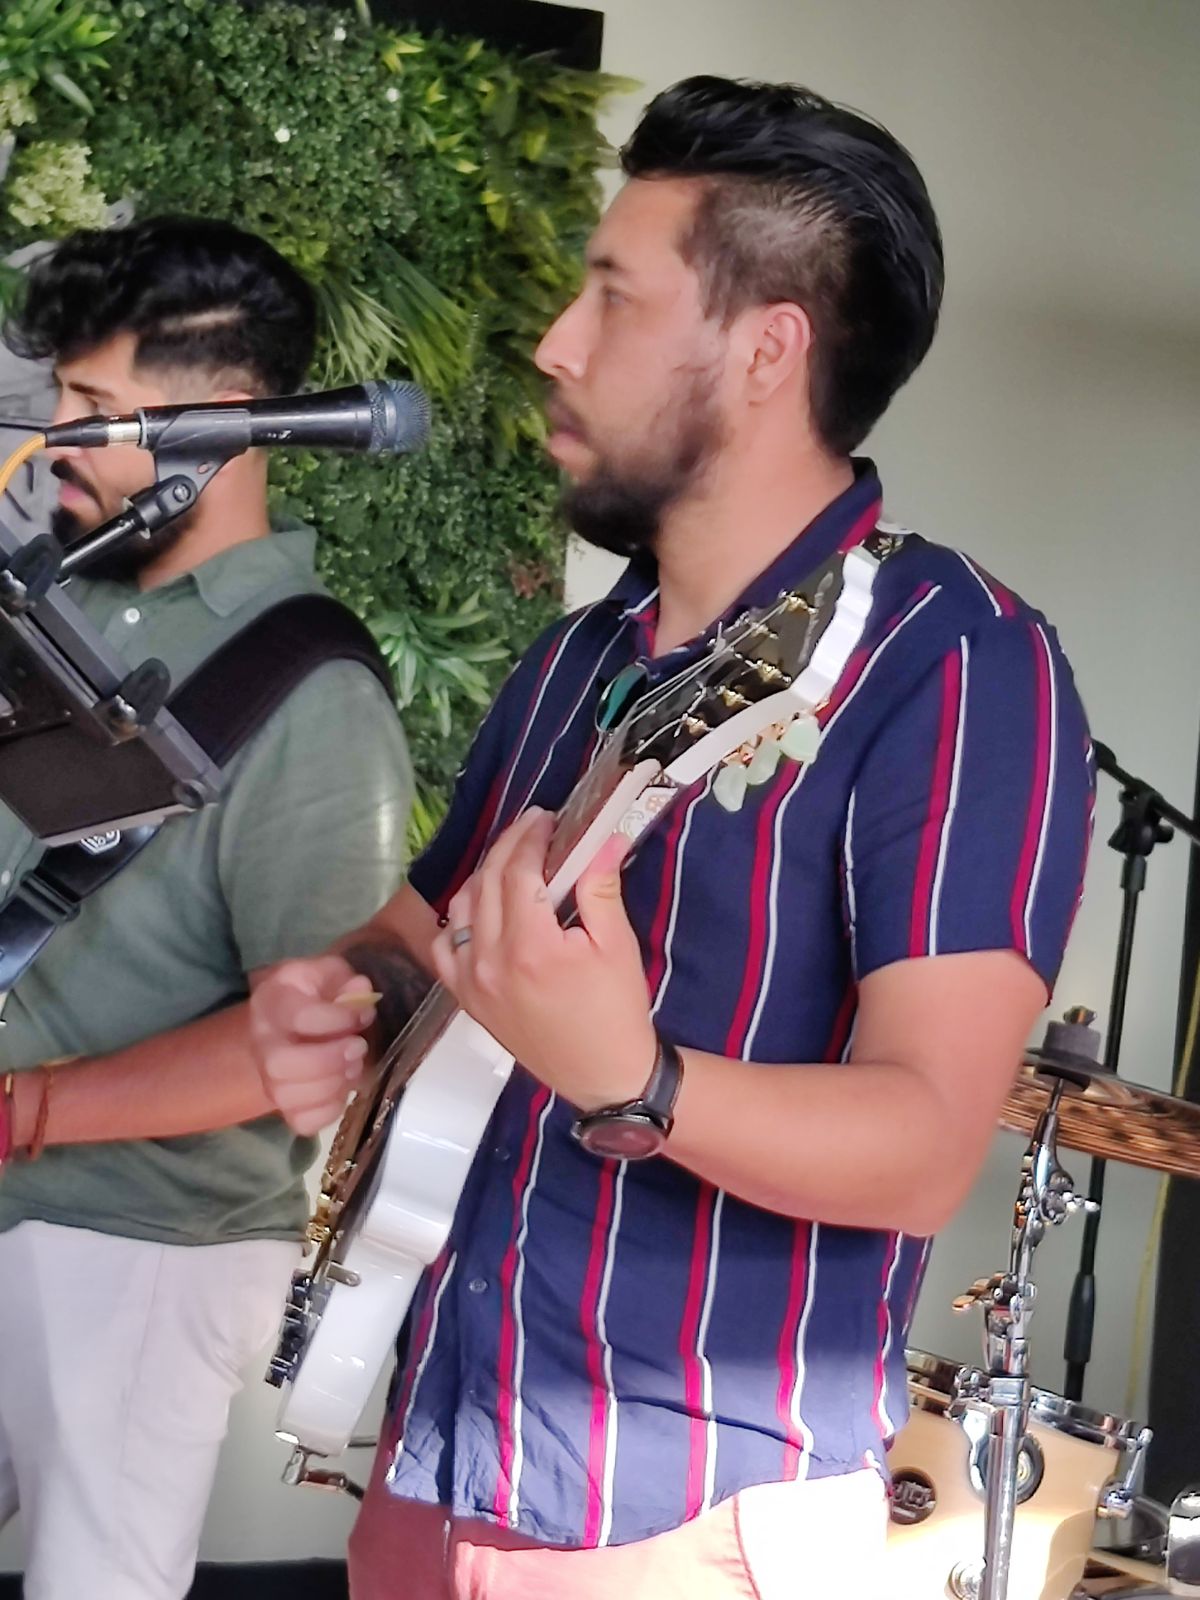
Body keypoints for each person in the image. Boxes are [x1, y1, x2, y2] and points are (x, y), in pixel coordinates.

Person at [253, 76, 1094, 1599]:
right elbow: (438, 958)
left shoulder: (958, 661)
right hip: (436, 1451)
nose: (555, 343)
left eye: (614, 298)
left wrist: (637, 1079)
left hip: (688, 1515)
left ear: (768, 348)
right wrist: (346, 995)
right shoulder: (580, 656)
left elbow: (923, 1146)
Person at [0, 216, 414, 1600]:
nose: (54, 438)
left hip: (141, 1250)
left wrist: (20, 1114)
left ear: (227, 422)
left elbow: (315, 1048)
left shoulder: (316, 698)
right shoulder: (69, 613)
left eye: (95, 406)